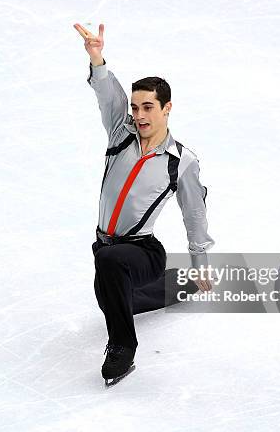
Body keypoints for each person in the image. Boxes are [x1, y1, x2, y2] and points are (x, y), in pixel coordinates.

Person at [73, 22, 215, 386]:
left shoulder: (180, 161)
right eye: (134, 107)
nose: (138, 114)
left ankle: (122, 347)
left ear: (167, 108)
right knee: (111, 298)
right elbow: (107, 93)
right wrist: (96, 57)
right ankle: (176, 287)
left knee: (111, 264)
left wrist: (200, 262)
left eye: (147, 107)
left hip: (143, 252)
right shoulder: (121, 133)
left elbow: (194, 214)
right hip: (105, 246)